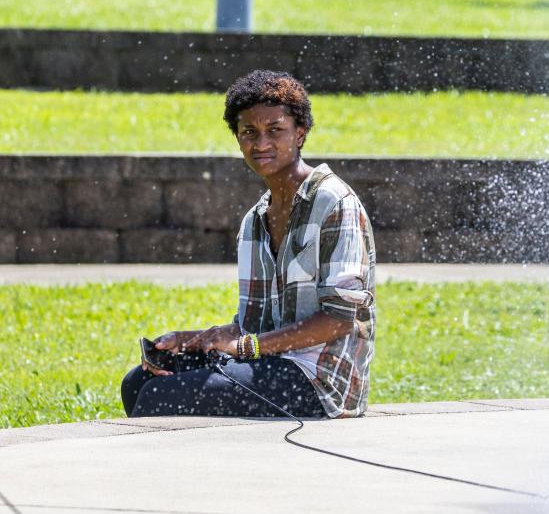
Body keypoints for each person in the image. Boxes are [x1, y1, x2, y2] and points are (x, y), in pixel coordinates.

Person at [121, 70, 376, 419]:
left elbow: (340, 319)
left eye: (275, 130)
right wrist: (195, 338)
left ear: (300, 133)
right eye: (249, 133)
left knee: (163, 398)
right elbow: (254, 323)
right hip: (268, 363)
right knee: (138, 382)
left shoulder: (334, 203)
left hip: (320, 382)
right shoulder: (254, 221)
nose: (261, 144)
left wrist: (245, 347)